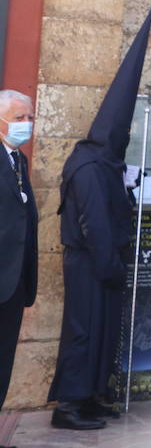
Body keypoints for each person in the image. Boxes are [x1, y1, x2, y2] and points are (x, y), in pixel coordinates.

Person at [49, 9, 151, 429]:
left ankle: (92, 395)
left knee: (103, 330)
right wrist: (110, 264)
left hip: (104, 263)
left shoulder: (103, 163)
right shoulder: (90, 166)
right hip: (93, 262)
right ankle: (69, 405)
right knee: (84, 330)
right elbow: (94, 222)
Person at [0, 90, 38, 416]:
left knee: (3, 365)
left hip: (13, 284)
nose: (26, 124)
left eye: (30, 117)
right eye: (18, 118)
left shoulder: (19, 161)